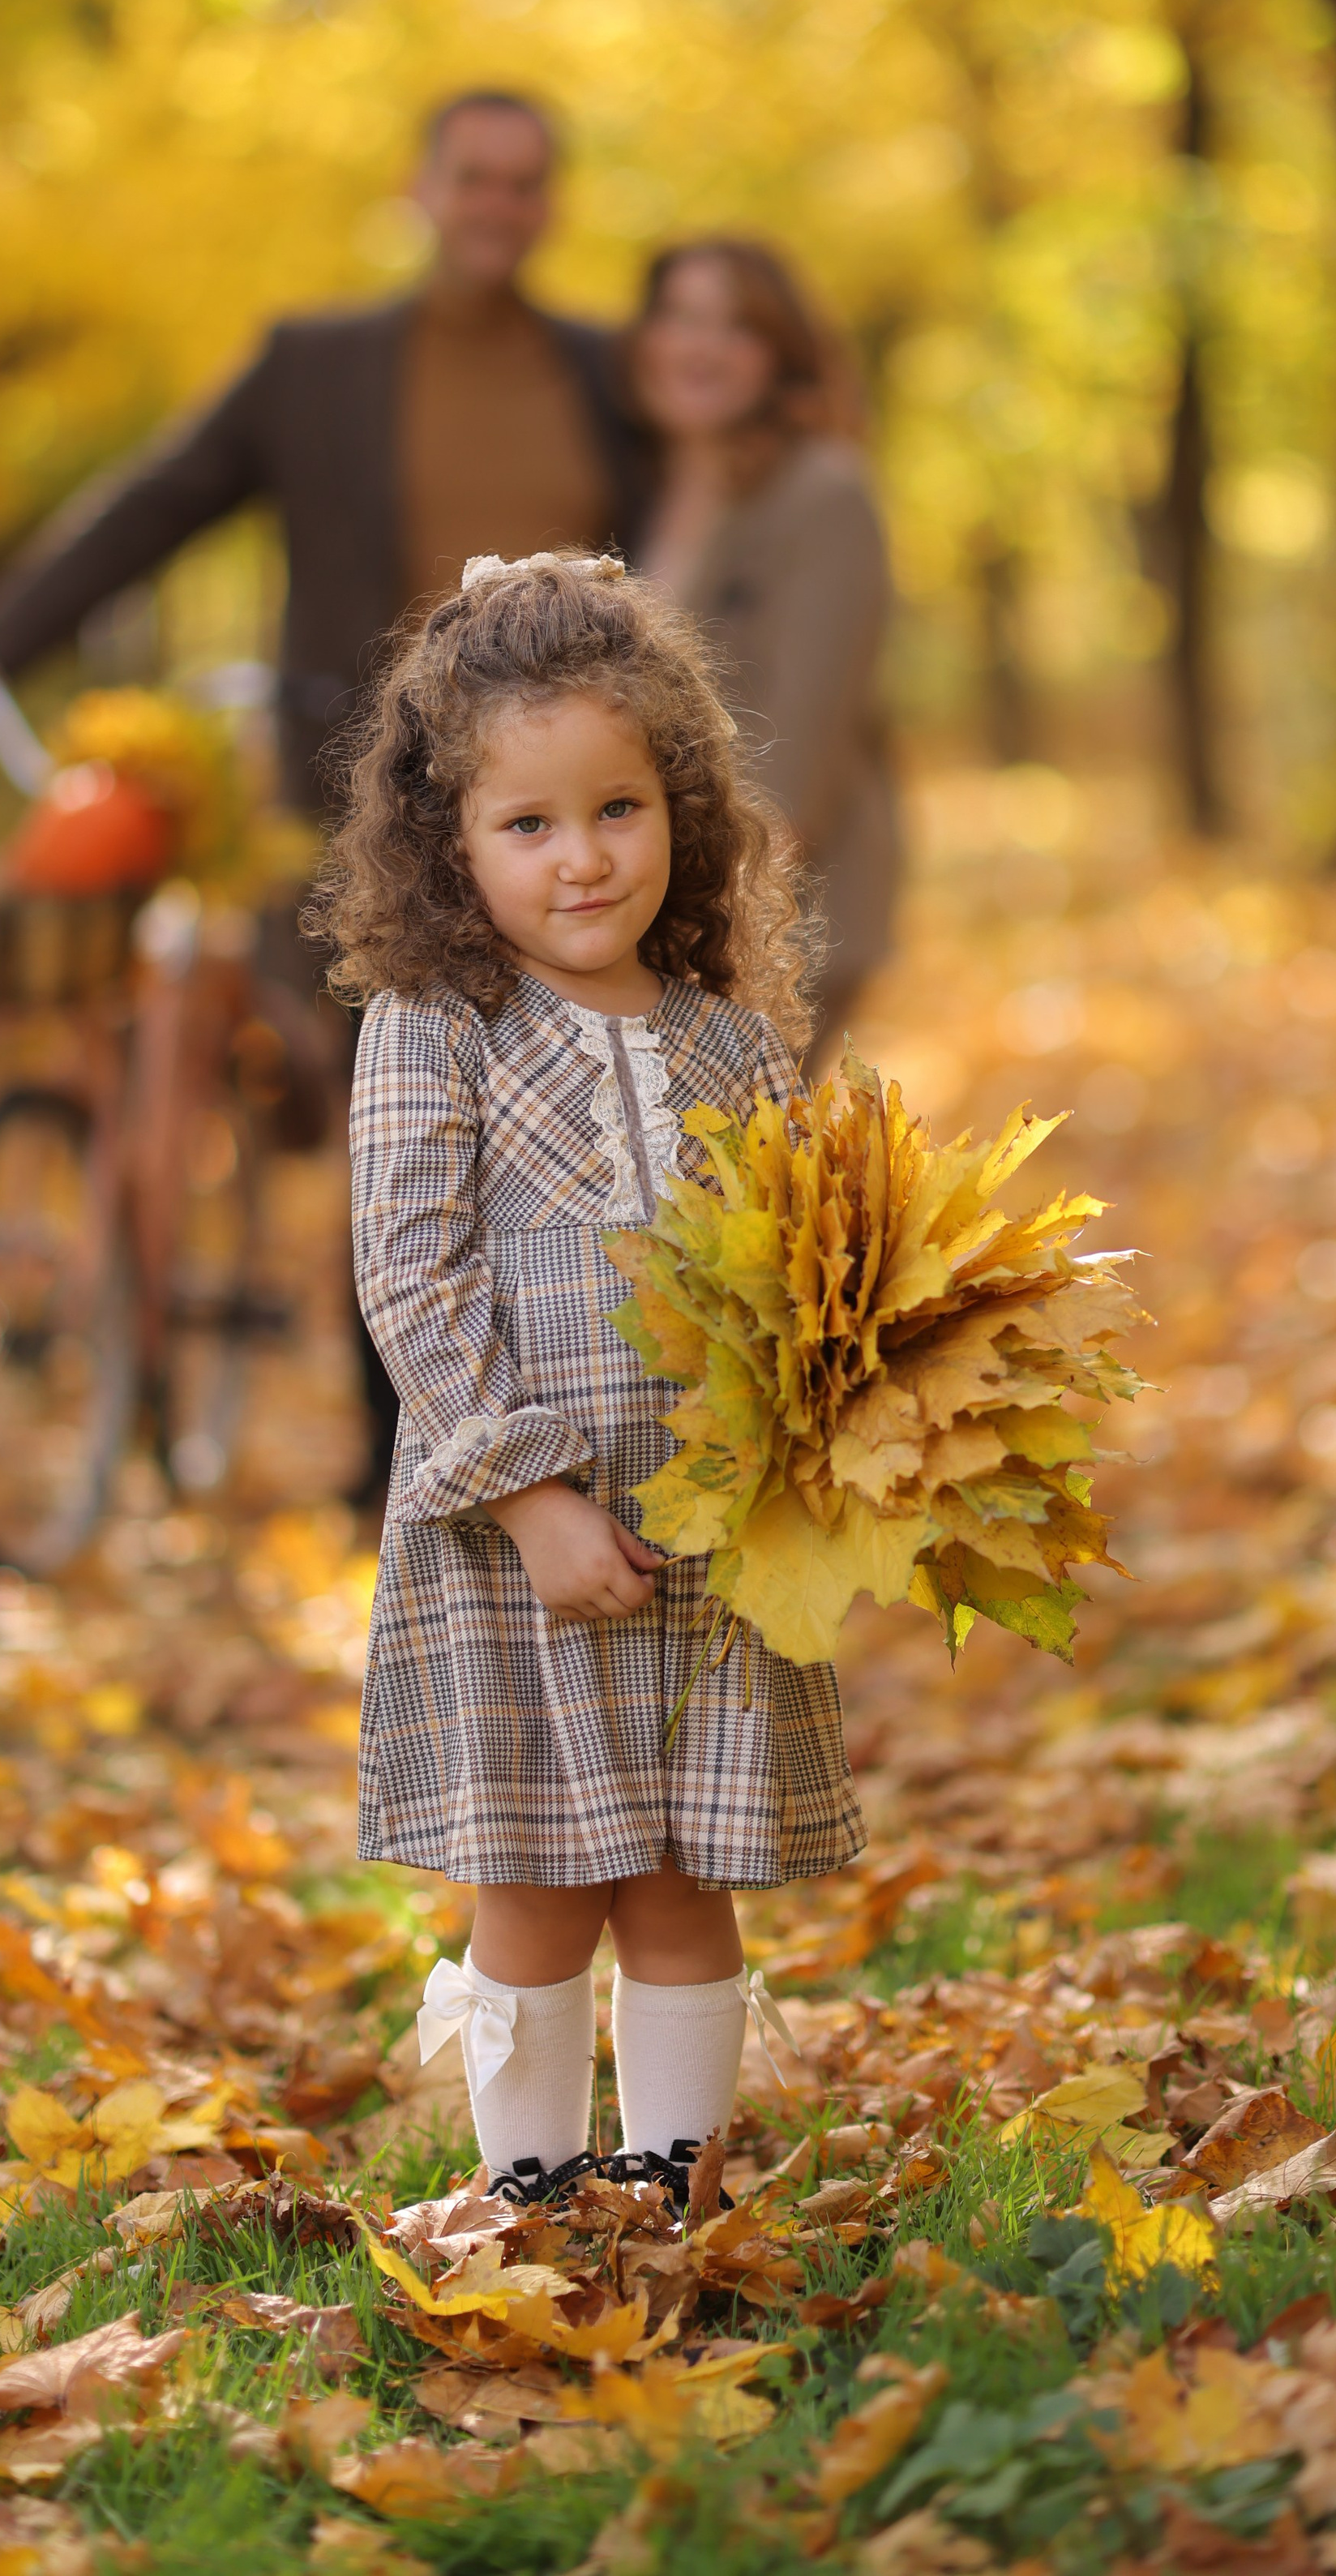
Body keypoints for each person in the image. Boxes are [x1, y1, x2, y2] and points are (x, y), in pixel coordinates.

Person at [0, 92, 652, 1498]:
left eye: (525, 181)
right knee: (409, 1116)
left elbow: (707, 528)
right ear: (420, 188)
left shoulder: (609, 373)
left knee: (567, 1114)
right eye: (475, 177)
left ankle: (587, 1435)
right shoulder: (317, 366)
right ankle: (399, 1460)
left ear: (551, 202)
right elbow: (153, 503)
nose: (500, 204)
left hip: (578, 799)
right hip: (376, 795)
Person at [317, 552, 863, 2197]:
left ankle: (673, 2180)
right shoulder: (437, 1024)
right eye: (528, 822)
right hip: (525, 1538)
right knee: (543, 1881)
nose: (583, 856)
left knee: (687, 1875)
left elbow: (793, 1264)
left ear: (680, 802)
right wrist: (533, 1498)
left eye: (619, 807)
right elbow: (409, 1277)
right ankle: (532, 2191)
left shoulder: (726, 1039)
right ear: (450, 841)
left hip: (701, 1527)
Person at [630, 237, 898, 1065]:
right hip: (663, 913)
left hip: (770, 919)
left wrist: (715, 943)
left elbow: (798, 761)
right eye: (681, 318)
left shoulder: (822, 492)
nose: (701, 347)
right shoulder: (652, 489)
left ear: (779, 354)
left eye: (735, 326)